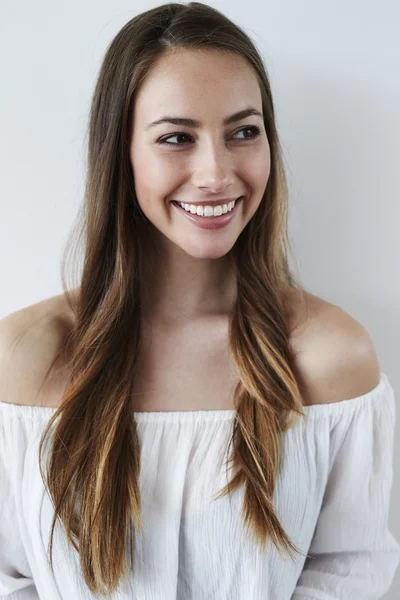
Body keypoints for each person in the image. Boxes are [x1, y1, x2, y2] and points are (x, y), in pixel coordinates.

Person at [0, 2, 399, 599]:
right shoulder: (26, 357)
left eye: (243, 132)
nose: (215, 173)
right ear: (121, 153)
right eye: (176, 138)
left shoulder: (330, 359)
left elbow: (352, 577)